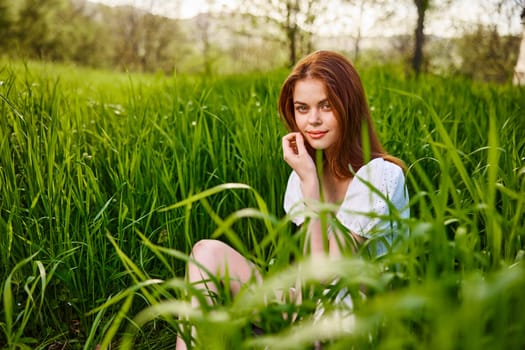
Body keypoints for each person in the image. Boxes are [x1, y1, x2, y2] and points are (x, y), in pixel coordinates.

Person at [175, 50, 409, 349]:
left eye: (326, 105)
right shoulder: (306, 170)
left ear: (349, 106)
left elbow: (327, 275)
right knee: (206, 252)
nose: (313, 120)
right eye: (302, 108)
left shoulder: (381, 176)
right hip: (306, 301)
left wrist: (310, 184)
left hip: (355, 313)